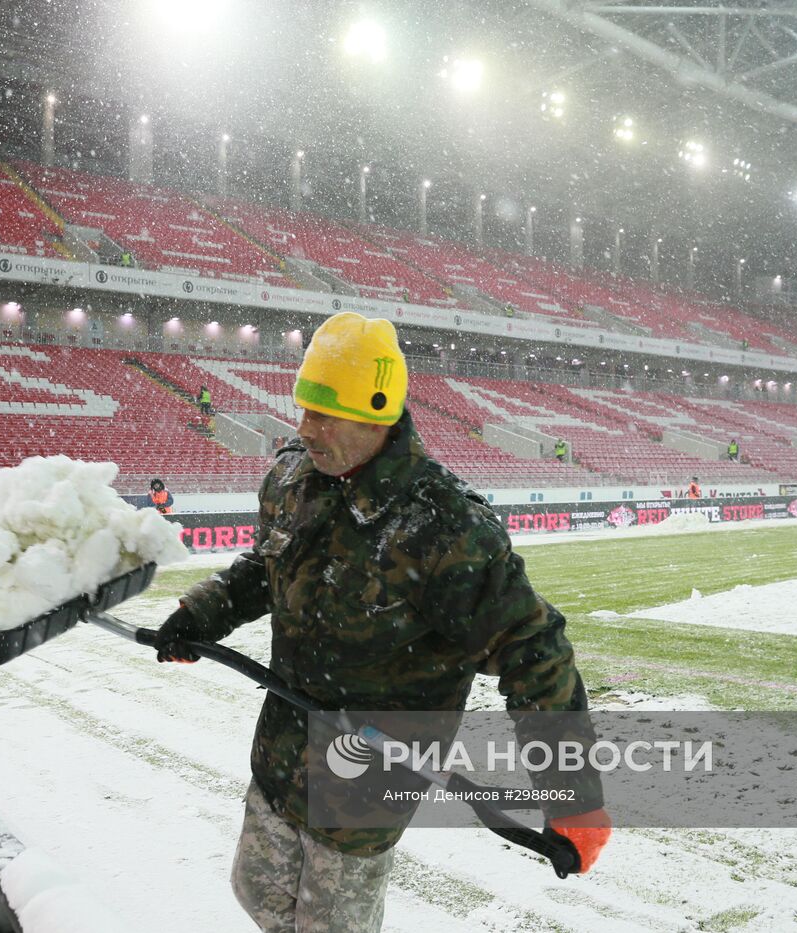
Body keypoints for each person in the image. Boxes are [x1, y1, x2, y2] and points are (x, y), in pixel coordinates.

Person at [153, 312, 608, 931]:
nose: (306, 430)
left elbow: (534, 650)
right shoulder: (294, 476)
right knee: (256, 892)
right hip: (281, 753)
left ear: (378, 412)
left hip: (365, 781)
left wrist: (572, 793)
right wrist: (200, 613)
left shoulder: (443, 526)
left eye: (325, 415)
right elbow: (267, 566)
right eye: (303, 410)